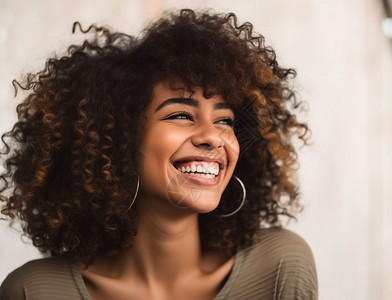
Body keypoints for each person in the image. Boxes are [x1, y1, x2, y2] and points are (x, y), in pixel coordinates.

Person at [0, 8, 317, 300]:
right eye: (181, 115)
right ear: (117, 138)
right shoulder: (34, 291)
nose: (213, 137)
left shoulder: (279, 266)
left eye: (224, 120)